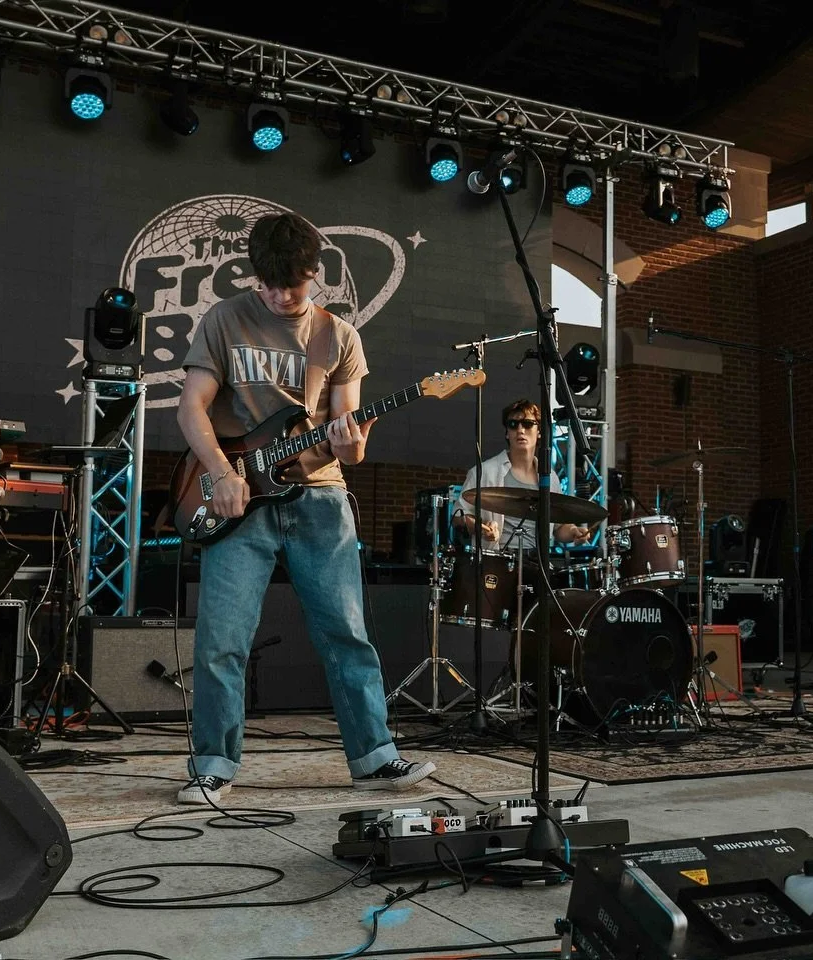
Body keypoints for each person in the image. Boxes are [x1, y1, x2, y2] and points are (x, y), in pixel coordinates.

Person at [175, 212, 435, 804]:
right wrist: (219, 473)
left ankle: (374, 756)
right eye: (267, 284)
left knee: (346, 630)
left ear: (314, 273)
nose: (277, 295)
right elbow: (192, 407)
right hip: (238, 496)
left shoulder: (339, 336)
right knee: (223, 637)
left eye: (290, 284)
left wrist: (352, 439)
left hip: (319, 495)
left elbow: (351, 433)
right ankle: (213, 762)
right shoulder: (223, 319)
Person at [452, 398, 593, 552]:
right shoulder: (484, 471)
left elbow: (558, 529)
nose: (520, 430)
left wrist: (573, 532)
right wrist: (481, 527)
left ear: (539, 432)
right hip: (496, 561)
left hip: (536, 562)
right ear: (507, 433)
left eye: (527, 424)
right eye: (513, 425)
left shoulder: (549, 478)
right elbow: (459, 516)